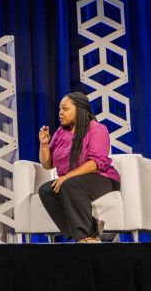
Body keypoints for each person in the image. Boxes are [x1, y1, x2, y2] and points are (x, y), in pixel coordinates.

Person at [37, 91, 121, 243]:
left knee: (69, 184)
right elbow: (48, 165)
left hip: (103, 179)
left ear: (80, 109)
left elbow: (95, 164)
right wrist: (44, 144)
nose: (60, 113)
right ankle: (93, 228)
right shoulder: (61, 133)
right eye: (60, 110)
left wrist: (66, 177)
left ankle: (84, 237)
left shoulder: (96, 129)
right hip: (73, 182)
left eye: (65, 109)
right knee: (45, 190)